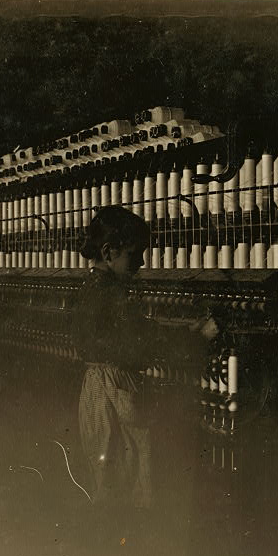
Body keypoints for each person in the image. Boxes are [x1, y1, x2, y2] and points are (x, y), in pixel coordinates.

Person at [72, 205, 217, 509]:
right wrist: (197, 338)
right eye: (135, 253)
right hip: (115, 389)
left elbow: (134, 332)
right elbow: (142, 342)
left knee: (108, 475)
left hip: (96, 390)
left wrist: (180, 332)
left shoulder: (91, 288)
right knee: (131, 472)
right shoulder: (112, 294)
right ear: (108, 252)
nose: (141, 262)